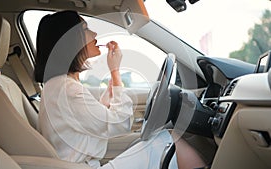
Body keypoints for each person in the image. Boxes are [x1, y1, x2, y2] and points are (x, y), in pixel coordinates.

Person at [35, 10, 205, 169]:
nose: (94, 34)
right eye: (86, 29)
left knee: (162, 139)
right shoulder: (67, 90)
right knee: (169, 140)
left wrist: (110, 93)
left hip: (85, 163)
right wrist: (115, 73)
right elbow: (120, 123)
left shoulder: (58, 86)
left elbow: (86, 123)